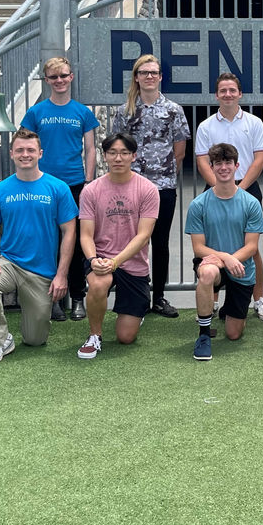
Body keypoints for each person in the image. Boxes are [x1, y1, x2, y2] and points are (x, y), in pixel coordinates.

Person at [0, 129, 78, 364]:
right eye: (19, 150)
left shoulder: (58, 188)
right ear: (11, 153)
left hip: (41, 272)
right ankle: (1, 341)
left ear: (40, 153)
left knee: (35, 339)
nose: (25, 154)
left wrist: (61, 275)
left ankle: (30, 323)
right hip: (9, 263)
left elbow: (69, 232)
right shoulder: (0, 190)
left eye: (30, 150)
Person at [109, 54, 190, 319]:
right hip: (131, 187)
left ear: (160, 77)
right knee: (131, 241)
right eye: (144, 73)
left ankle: (159, 297)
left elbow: (179, 151)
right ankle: (134, 294)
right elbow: (118, 148)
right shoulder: (125, 112)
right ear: (136, 77)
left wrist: (164, 176)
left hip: (163, 185)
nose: (149, 77)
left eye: (154, 72)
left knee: (160, 241)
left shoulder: (174, 110)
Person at [19, 55, 100, 322]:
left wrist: (88, 182)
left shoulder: (82, 112)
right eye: (54, 77)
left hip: (75, 185)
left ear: (71, 77)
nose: (59, 81)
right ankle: (51, 299)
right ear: (46, 81)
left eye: (64, 75)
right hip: (43, 185)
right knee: (47, 242)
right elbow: (25, 147)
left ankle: (78, 297)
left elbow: (90, 149)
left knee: (75, 243)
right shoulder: (36, 112)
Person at [193, 72, 263, 321]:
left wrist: (241, 189)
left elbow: (260, 159)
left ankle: (258, 298)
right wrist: (221, 185)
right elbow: (203, 161)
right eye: (223, 91)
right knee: (214, 243)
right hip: (215, 188)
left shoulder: (254, 123)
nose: (228, 94)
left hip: (248, 188)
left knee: (252, 247)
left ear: (240, 94)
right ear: (216, 95)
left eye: (232, 90)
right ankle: (212, 301)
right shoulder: (206, 126)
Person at [76, 132, 160, 359]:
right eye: (112, 153)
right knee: (98, 283)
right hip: (101, 256)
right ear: (105, 156)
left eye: (124, 153)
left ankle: (137, 312)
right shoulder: (91, 190)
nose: (118, 158)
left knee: (126, 337)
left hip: (132, 262)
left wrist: (116, 262)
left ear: (134, 156)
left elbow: (143, 236)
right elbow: (85, 235)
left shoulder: (148, 189)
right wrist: (94, 260)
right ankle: (95, 336)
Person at [185, 143, 263, 361]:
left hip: (241, 267)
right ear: (211, 167)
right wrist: (225, 258)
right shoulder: (198, 204)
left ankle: (229, 310)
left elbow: (251, 246)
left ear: (236, 165)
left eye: (227, 162)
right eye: (218, 163)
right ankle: (203, 334)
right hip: (214, 263)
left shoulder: (251, 203)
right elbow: (198, 248)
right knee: (207, 273)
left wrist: (231, 260)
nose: (223, 167)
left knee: (233, 334)